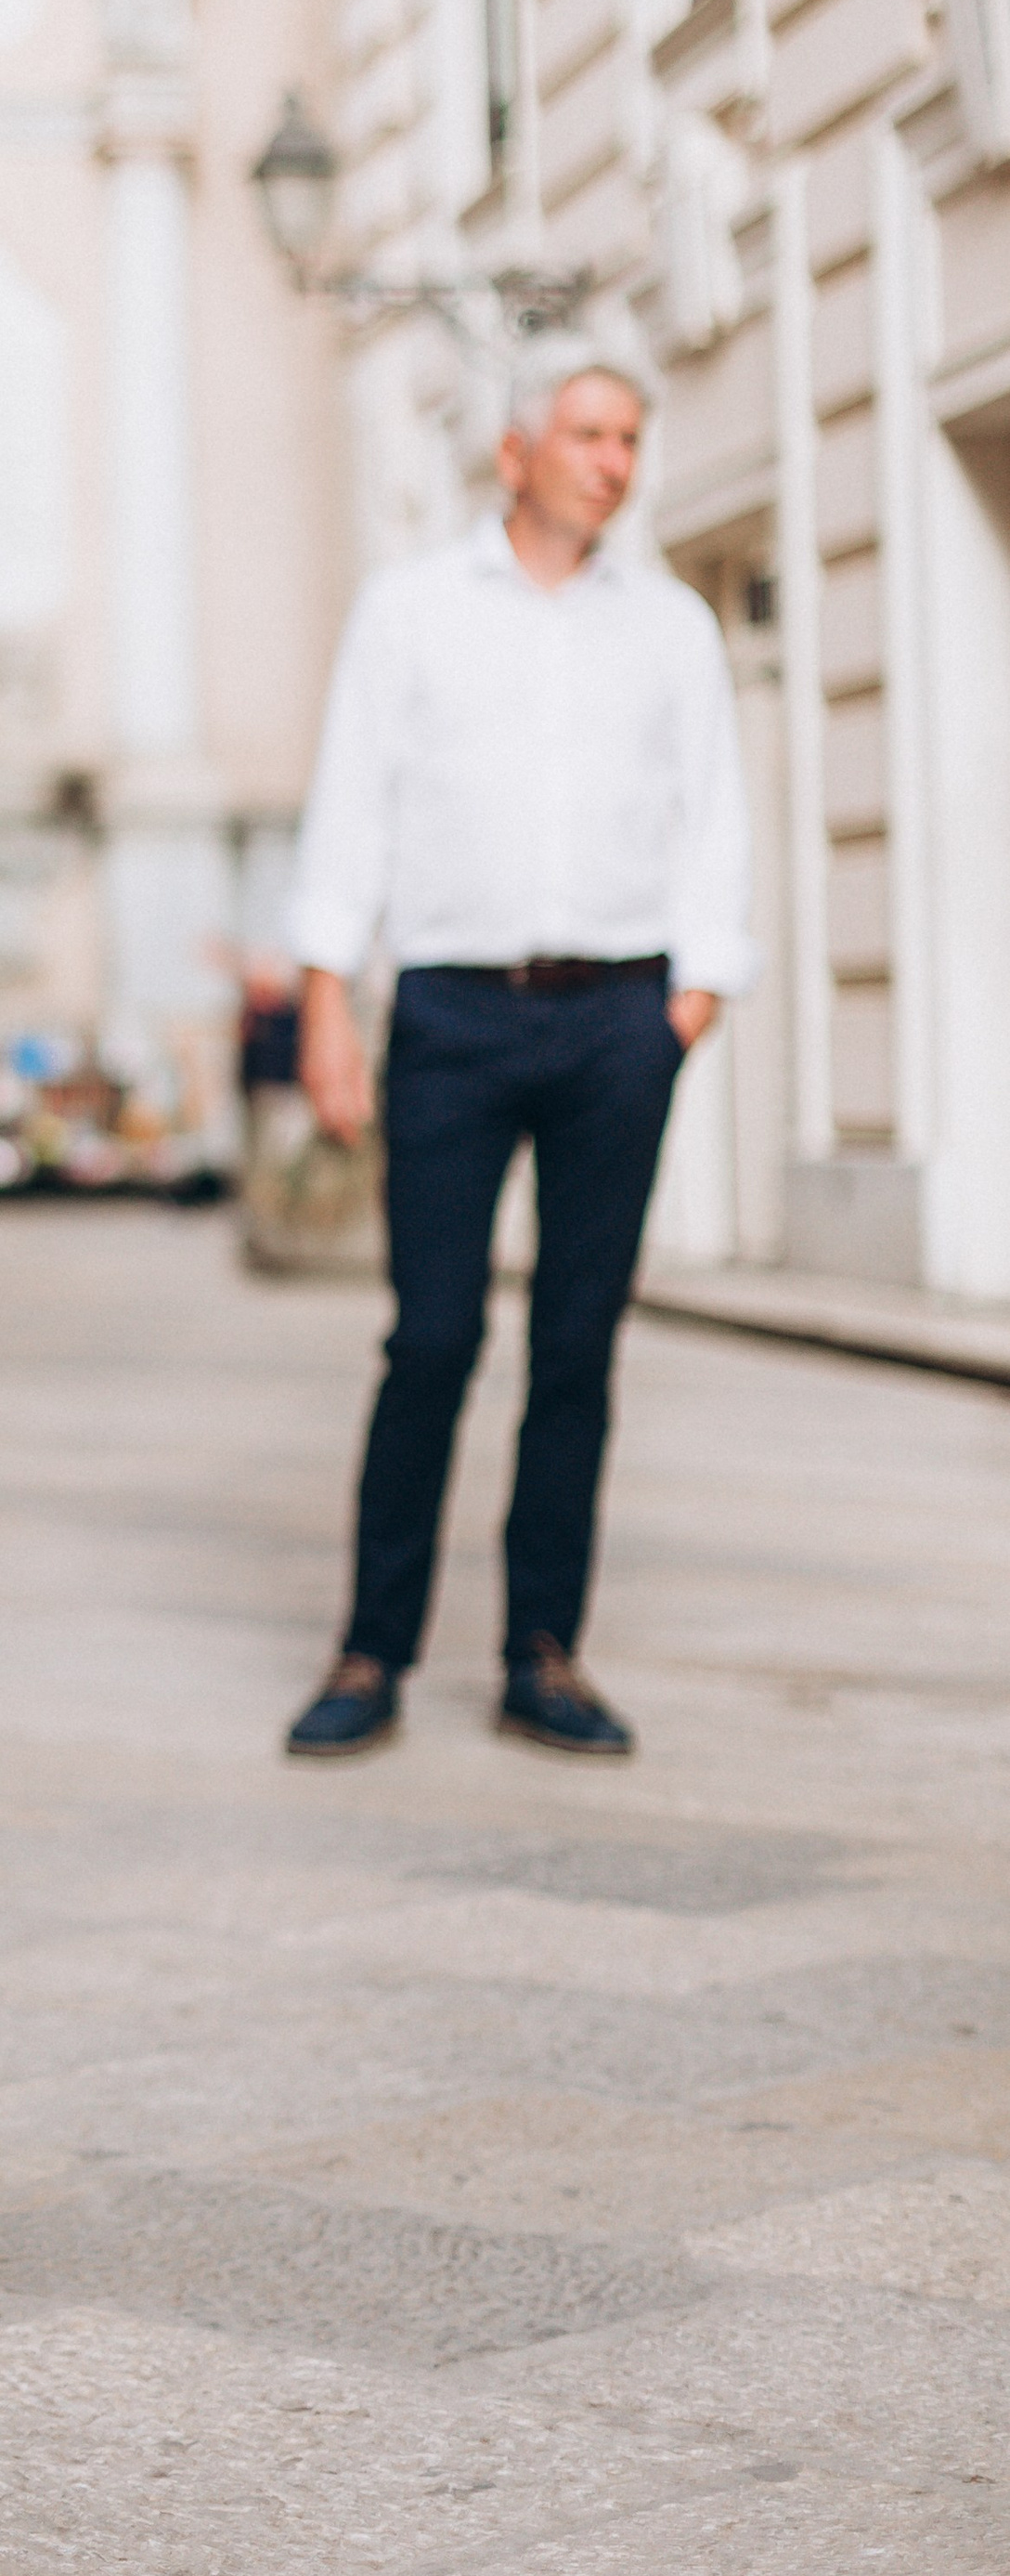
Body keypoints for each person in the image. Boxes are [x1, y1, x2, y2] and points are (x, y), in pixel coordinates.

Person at [281, 342, 755, 1763]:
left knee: (578, 1342)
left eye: (628, 437)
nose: (616, 459)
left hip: (621, 1016)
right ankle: (373, 1647)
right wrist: (323, 1000)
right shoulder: (413, 612)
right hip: (453, 1016)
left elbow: (714, 811)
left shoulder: (670, 625)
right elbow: (351, 801)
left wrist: (696, 994)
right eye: (592, 433)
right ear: (516, 452)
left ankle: (542, 1648)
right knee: (431, 1337)